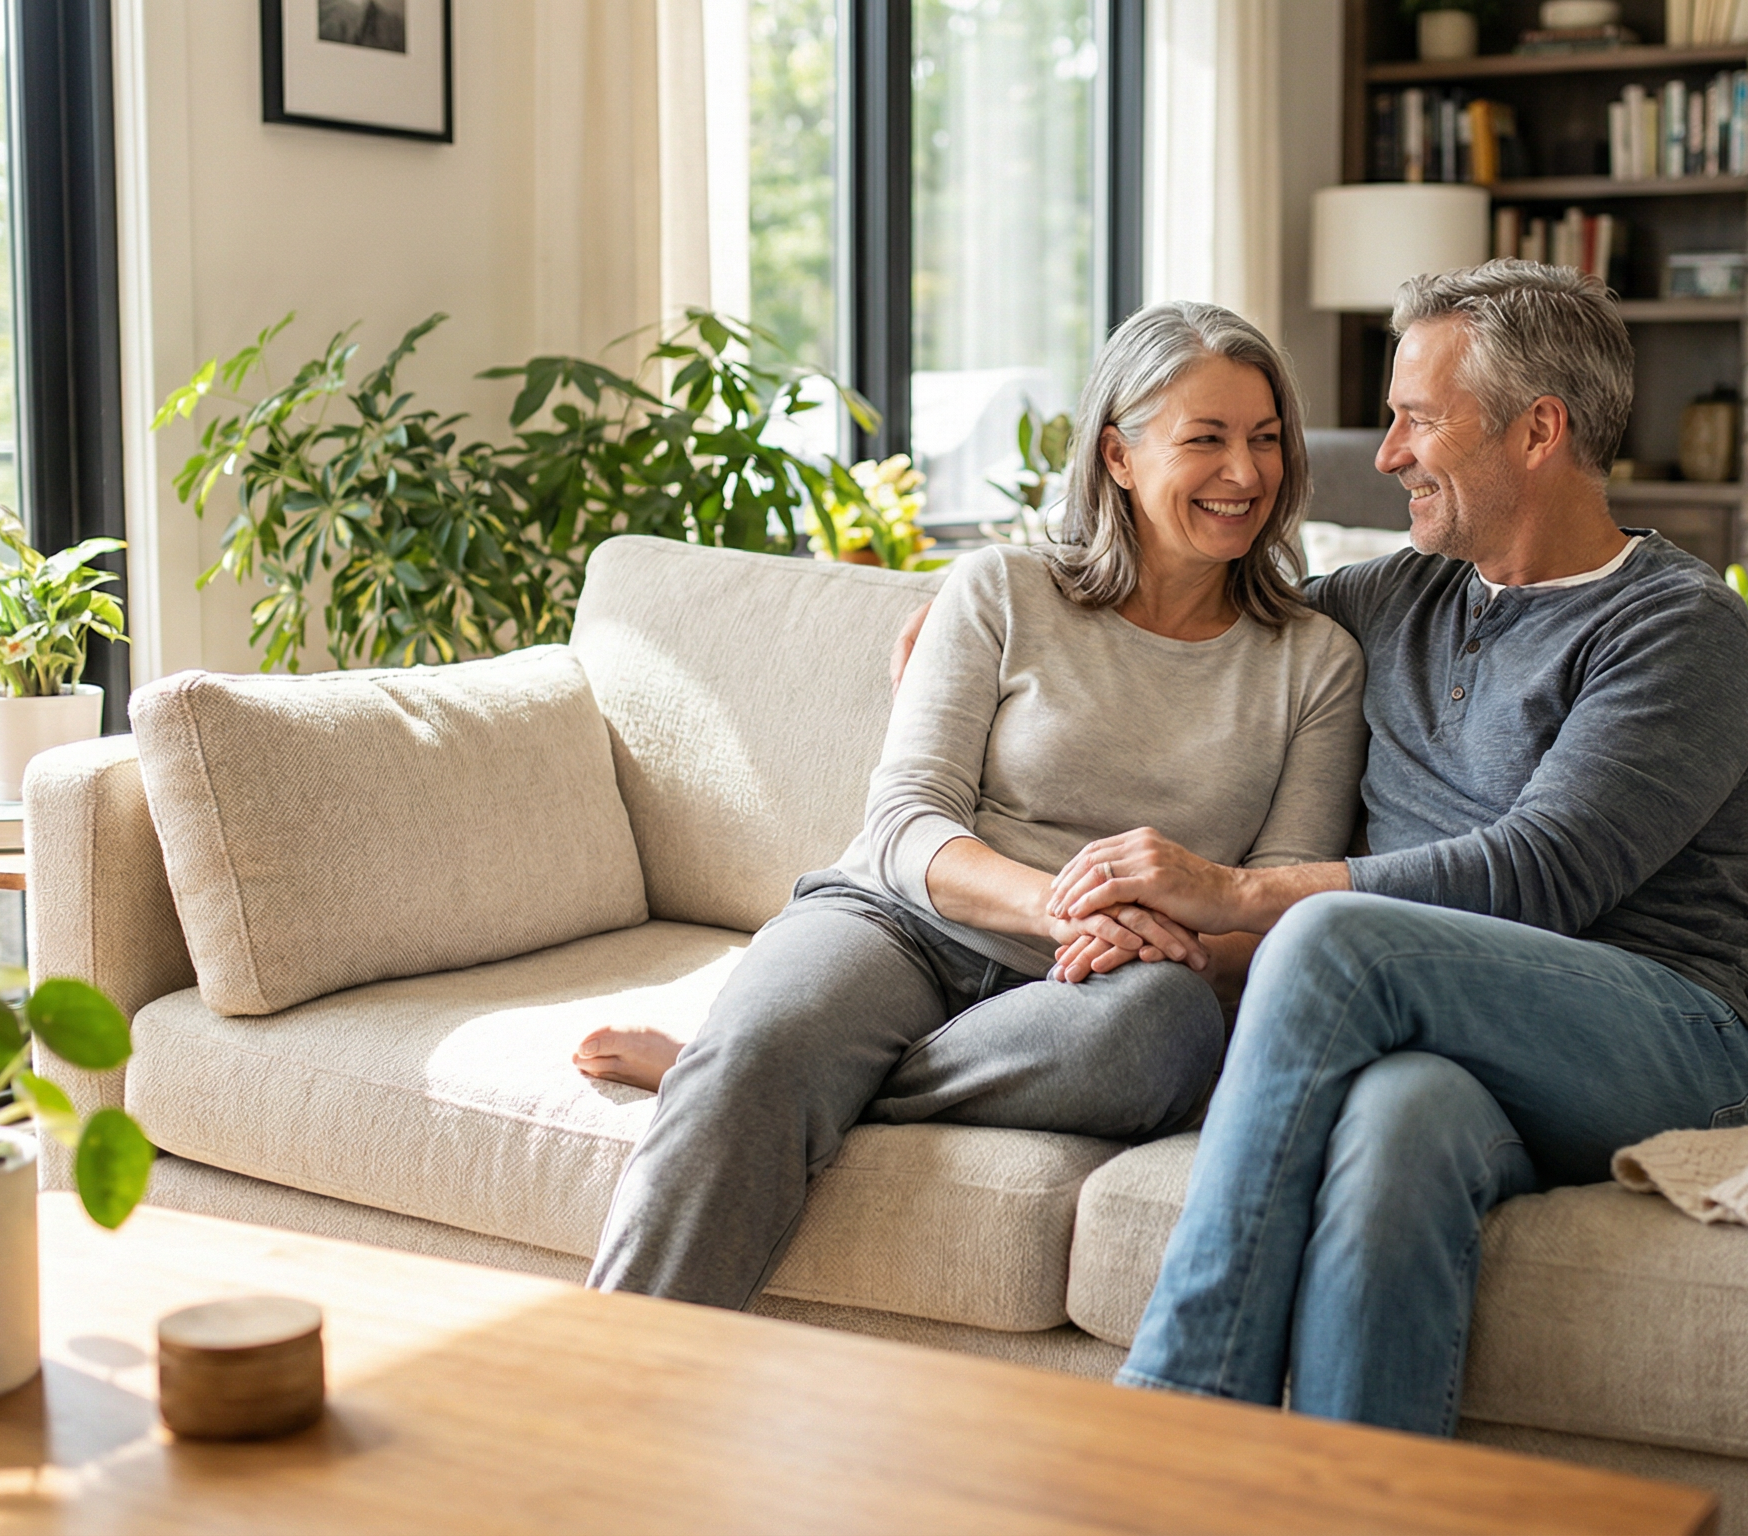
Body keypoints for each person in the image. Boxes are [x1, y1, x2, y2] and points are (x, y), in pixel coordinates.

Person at [1048, 259, 1748, 1434]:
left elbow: (1540, 873)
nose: (1385, 453)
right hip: (1446, 1045)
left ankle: (1169, 1430)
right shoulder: (1392, 599)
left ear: (1539, 430)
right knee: (1395, 1130)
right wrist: (1012, 596)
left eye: (1416, 420)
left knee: (1332, 940)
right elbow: (1194, 609)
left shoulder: (1677, 626)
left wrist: (1235, 893)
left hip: (1668, 1035)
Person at [583, 301, 1368, 1310]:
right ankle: (616, 1363)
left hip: (1109, 993)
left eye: (1265, 441)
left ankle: (751, 1072)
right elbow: (906, 823)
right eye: (1205, 439)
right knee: (778, 1039)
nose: (1246, 473)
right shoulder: (1001, 589)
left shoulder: (1314, 662)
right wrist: (1064, 907)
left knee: (1167, 1034)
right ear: (1119, 456)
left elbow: (1274, 905)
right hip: (901, 924)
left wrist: (1173, 948)